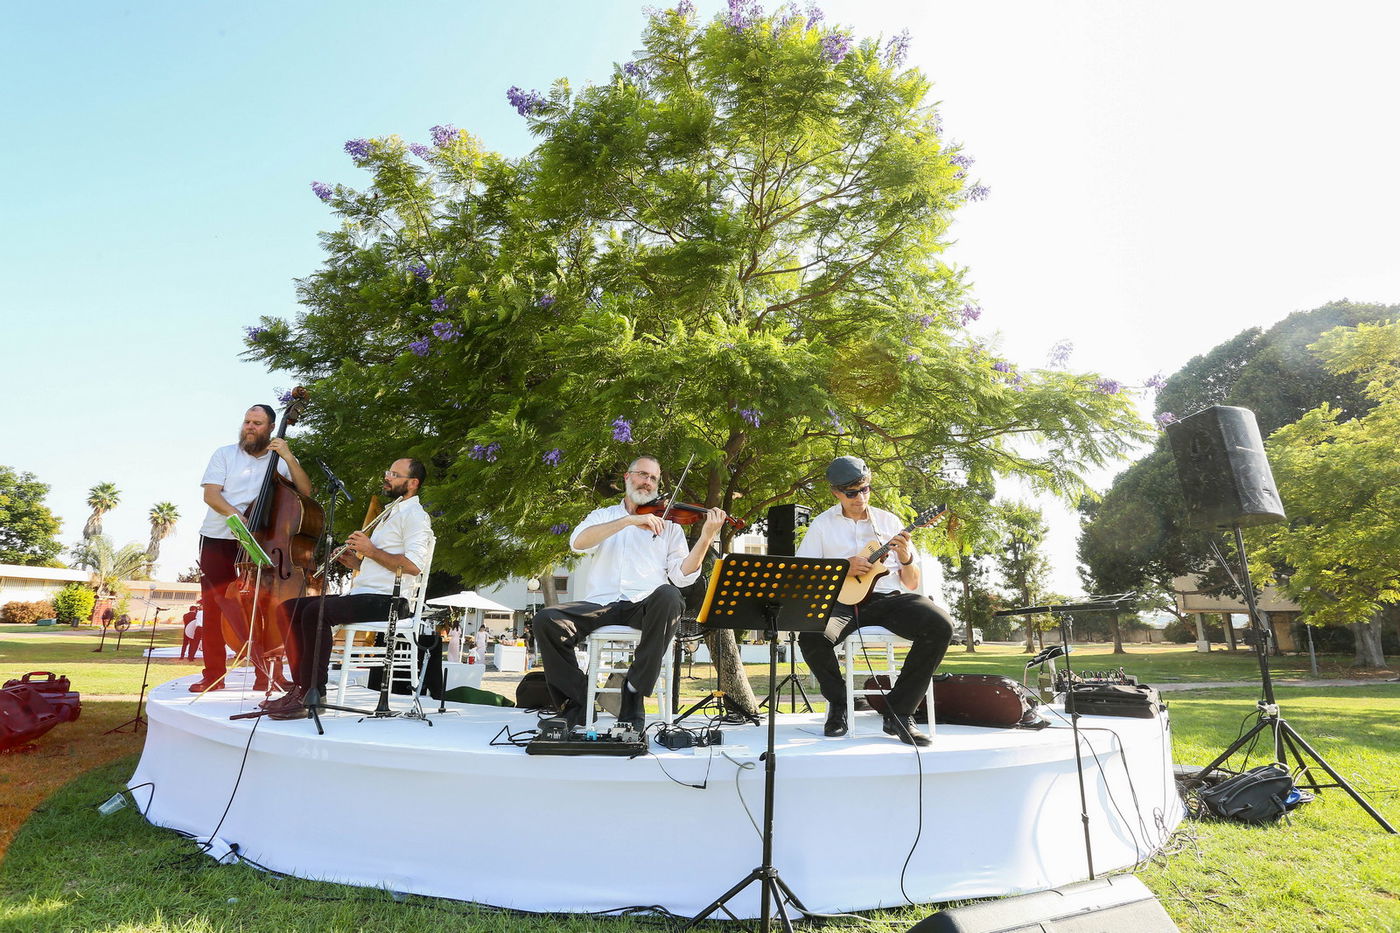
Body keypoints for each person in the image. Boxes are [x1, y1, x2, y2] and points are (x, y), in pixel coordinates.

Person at [531, 455, 727, 732]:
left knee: (670, 596)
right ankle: (577, 705)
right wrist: (628, 521)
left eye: (653, 478)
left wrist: (706, 537)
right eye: (642, 474)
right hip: (600, 604)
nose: (648, 482)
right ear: (627, 477)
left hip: (644, 605)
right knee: (546, 620)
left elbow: (683, 576)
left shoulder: (670, 524)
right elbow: (578, 542)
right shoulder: (604, 516)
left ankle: (634, 690)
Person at [796, 455, 954, 747]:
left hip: (888, 599)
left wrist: (905, 557)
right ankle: (840, 704)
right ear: (835, 492)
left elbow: (911, 583)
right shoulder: (822, 525)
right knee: (811, 633)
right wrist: (843, 567)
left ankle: (899, 712)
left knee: (940, 625)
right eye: (851, 493)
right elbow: (804, 571)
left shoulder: (889, 521)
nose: (860, 498)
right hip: (841, 602)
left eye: (865, 489)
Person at [262, 458, 434, 719]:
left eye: (394, 474)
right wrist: (357, 563)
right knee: (288, 609)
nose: (387, 477)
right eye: (388, 471)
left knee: (316, 613)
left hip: (391, 600)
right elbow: (383, 566)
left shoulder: (415, 517)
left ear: (413, 483)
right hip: (366, 594)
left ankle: (314, 693)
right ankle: (301, 687)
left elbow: (413, 566)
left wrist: (371, 551)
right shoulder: (392, 512)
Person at [192, 405, 313, 693]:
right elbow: (211, 495)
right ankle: (213, 675)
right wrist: (240, 518)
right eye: (247, 421)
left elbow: (306, 493)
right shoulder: (224, 454)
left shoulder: (280, 460)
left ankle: (267, 675)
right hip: (220, 537)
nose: (249, 427)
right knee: (215, 607)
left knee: (267, 607)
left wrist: (289, 457)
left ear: (271, 428)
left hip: (264, 542)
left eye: (257, 423)